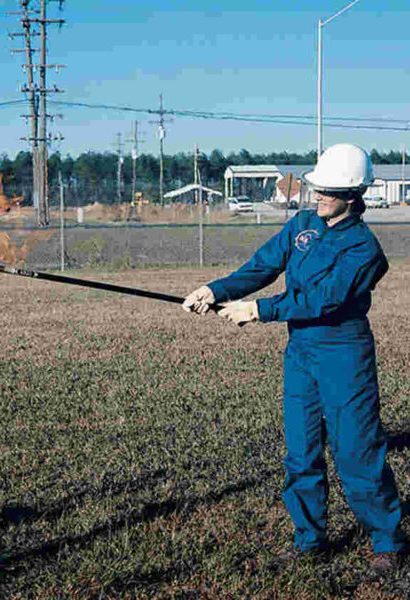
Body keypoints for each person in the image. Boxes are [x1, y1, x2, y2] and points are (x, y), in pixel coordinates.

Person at [183, 143, 407, 573]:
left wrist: (260, 310)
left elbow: (325, 299)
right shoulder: (303, 225)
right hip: (300, 353)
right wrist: (216, 290)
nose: (316, 194)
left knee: (356, 451)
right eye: (316, 187)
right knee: (301, 452)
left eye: (326, 190)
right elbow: (262, 266)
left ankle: (387, 540)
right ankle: (310, 539)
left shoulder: (364, 250)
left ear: (352, 195)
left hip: (344, 354)